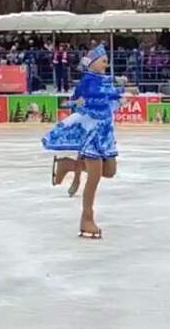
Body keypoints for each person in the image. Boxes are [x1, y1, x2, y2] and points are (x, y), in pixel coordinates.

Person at [42, 45, 131, 238]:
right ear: (92, 63)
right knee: (95, 177)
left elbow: (106, 99)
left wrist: (120, 100)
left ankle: (67, 164)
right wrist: (116, 85)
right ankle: (87, 219)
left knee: (110, 171)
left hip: (106, 133)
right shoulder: (90, 81)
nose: (106, 63)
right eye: (103, 60)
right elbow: (96, 95)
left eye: (107, 60)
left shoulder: (100, 80)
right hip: (92, 132)